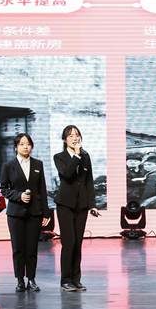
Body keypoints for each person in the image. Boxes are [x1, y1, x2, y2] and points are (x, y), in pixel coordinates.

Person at [0, 133, 51, 293]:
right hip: (15, 213)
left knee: (32, 248)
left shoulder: (38, 164)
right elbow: (3, 189)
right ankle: (20, 280)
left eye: (28, 144)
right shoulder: (8, 166)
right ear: (16, 147)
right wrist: (19, 196)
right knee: (18, 248)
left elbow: (42, 189)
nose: (25, 147)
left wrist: (46, 212)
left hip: (35, 212)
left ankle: (32, 279)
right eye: (21, 144)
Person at [54, 125, 98, 292]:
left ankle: (76, 279)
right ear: (64, 139)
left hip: (82, 205)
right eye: (71, 135)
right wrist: (77, 156)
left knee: (78, 242)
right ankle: (65, 280)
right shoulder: (59, 157)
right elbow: (67, 174)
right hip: (65, 204)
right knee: (69, 242)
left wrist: (92, 204)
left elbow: (89, 181)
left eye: (77, 135)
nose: (75, 138)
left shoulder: (86, 156)